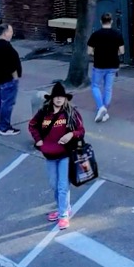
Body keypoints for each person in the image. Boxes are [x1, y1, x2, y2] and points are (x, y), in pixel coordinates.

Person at [27, 83, 85, 231]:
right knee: (54, 184)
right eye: (56, 97)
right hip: (49, 155)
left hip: (66, 154)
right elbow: (32, 125)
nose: (59, 99)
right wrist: (38, 141)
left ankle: (63, 215)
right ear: (52, 99)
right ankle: (63, 207)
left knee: (62, 185)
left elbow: (81, 130)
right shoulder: (44, 112)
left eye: (62, 97)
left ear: (65, 99)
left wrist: (70, 134)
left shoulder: (71, 112)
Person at [87, 13, 125, 123]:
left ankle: (101, 107)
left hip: (99, 64)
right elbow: (122, 51)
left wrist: (97, 53)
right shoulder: (117, 34)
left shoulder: (96, 35)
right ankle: (105, 111)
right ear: (111, 21)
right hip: (113, 65)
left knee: (95, 86)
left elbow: (89, 51)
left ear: (101, 21)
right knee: (108, 88)